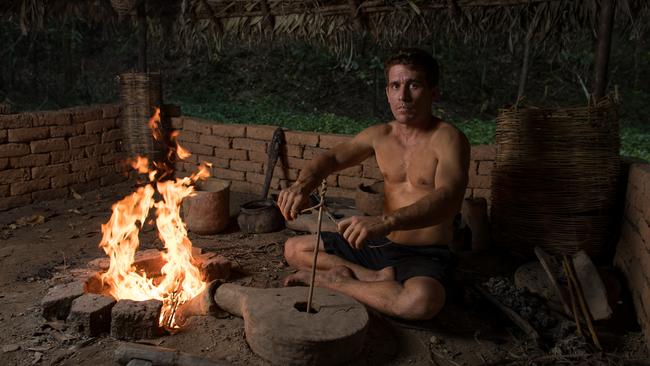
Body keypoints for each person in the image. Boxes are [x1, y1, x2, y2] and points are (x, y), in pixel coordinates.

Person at [277, 48, 470, 320]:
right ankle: (375, 277)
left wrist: (387, 221)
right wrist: (302, 185)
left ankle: (339, 282)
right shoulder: (380, 135)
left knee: (421, 302)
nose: (402, 96)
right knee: (294, 249)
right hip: (381, 243)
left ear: (433, 92)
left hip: (423, 252)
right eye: (395, 86)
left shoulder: (449, 139)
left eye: (413, 85)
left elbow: (448, 198)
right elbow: (331, 158)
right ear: (387, 92)